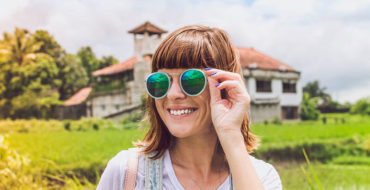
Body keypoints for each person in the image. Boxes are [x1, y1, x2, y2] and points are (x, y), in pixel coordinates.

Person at [97, 25, 282, 190]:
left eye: (191, 80)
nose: (173, 94)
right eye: (160, 82)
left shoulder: (262, 177)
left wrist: (231, 135)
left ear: (225, 87)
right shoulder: (127, 172)